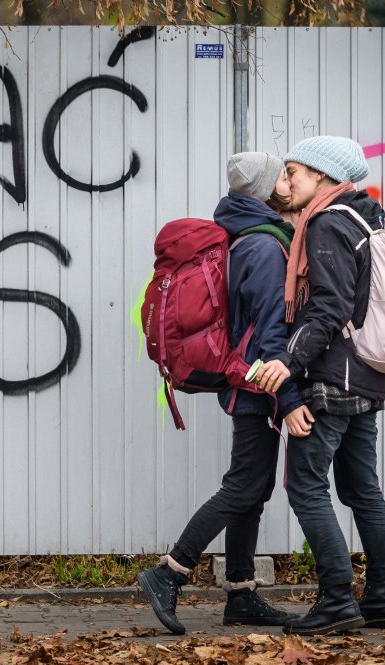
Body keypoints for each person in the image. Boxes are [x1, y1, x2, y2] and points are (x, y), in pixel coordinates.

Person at [138, 152, 315, 635]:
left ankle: (241, 593)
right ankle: (169, 572)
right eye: (281, 174)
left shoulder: (248, 236)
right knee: (242, 486)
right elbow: (267, 335)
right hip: (258, 385)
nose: (288, 179)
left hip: (252, 385)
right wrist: (288, 398)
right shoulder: (262, 248)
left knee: (252, 489)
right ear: (264, 189)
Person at [252, 135, 385, 636]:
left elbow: (330, 307)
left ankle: (338, 597)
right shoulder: (362, 217)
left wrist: (289, 363)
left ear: (320, 176)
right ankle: (381, 598)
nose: (286, 181)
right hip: (365, 377)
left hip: (334, 380)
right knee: (363, 489)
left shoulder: (326, 222)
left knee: (307, 488)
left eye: (292, 171)